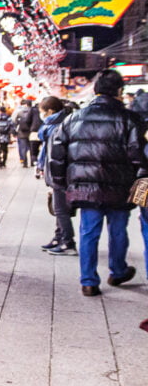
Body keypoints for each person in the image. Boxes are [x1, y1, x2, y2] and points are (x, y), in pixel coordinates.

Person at [49, 70, 144, 296]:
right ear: (119, 91)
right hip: (120, 188)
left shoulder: (73, 118)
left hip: (85, 188)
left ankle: (88, 281)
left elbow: (57, 154)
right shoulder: (130, 119)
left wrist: (63, 185)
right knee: (118, 230)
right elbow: (139, 157)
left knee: (88, 232)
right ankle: (118, 270)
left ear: (96, 90)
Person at [37, 96, 75, 255]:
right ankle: (58, 237)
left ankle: (68, 242)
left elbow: (57, 154)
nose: (41, 115)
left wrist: (55, 175)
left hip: (60, 172)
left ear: (50, 111)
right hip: (57, 170)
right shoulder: (56, 124)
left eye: (42, 112)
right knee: (59, 207)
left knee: (60, 209)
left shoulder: (56, 126)